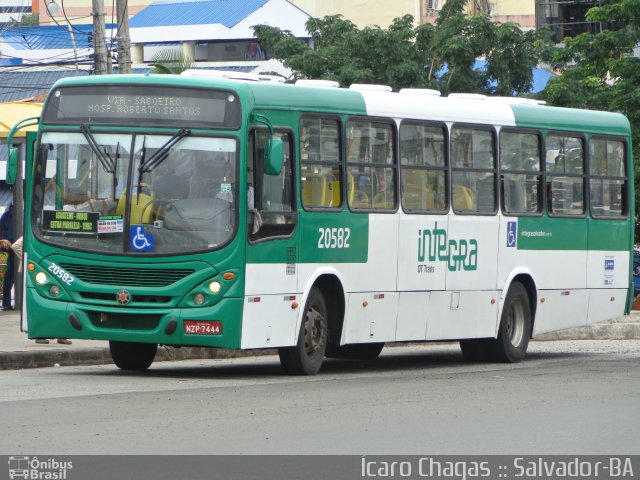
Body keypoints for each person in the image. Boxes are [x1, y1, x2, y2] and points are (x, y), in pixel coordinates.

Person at [9, 236, 71, 345]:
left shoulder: (60, 233)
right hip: (36, 272)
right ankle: (41, 335)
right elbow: (15, 246)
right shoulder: (37, 231)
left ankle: (61, 335)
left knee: (60, 303)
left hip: (56, 271)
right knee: (40, 303)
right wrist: (30, 259)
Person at [0, 203, 15, 310]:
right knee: (10, 275)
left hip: (12, 246)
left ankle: (6, 303)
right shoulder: (7, 215)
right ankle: (6, 302)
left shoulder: (7, 214)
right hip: (14, 247)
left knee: (9, 275)